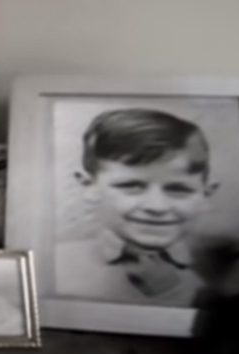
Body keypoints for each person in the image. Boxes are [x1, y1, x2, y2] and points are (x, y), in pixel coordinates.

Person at [54, 108, 217, 307]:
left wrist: (173, 292)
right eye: (131, 186)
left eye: (178, 189)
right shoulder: (52, 263)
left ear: (206, 194)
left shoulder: (226, 269)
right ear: (89, 186)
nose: (157, 207)